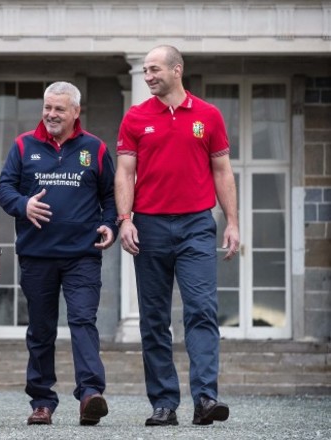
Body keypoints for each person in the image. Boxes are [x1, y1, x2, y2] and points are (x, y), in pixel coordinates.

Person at [115, 45, 240, 427]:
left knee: (201, 310)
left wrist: (232, 221)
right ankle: (164, 404)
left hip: (196, 226)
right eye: (146, 70)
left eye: (154, 69)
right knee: (153, 318)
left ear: (177, 70)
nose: (148, 75)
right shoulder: (135, 118)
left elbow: (222, 171)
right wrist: (125, 219)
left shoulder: (208, 115)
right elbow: (124, 172)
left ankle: (205, 397)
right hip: (149, 226)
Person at [0, 81, 116, 426]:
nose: (50, 114)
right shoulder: (23, 146)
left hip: (83, 255)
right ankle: (42, 401)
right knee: (41, 329)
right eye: (47, 107)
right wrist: (23, 204)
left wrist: (111, 224)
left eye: (59, 109)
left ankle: (91, 394)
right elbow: (4, 188)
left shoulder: (95, 148)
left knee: (82, 321)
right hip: (37, 255)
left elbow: (110, 196)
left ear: (76, 112)